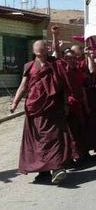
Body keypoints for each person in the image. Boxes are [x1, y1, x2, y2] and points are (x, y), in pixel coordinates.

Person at [10, 39, 74, 184]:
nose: (41, 54)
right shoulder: (30, 66)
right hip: (35, 108)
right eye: (38, 52)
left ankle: (57, 168)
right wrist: (15, 103)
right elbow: (23, 86)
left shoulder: (56, 64)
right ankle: (43, 172)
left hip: (53, 108)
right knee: (38, 141)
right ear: (34, 52)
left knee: (54, 138)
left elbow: (63, 86)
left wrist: (65, 104)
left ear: (47, 50)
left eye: (43, 50)